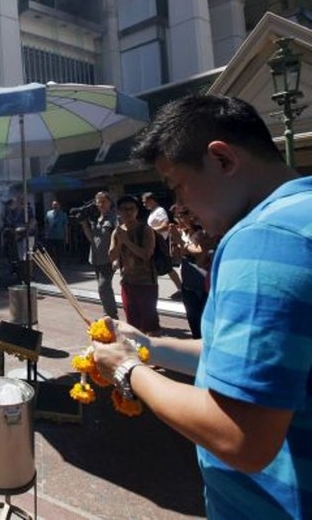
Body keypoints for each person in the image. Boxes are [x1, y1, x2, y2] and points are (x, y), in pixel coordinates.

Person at [93, 95, 311, 518]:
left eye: (177, 185)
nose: (180, 204)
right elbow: (243, 361)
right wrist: (148, 347)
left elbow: (239, 437)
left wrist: (126, 370)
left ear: (223, 159)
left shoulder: (266, 238)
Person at [108, 194, 160, 334]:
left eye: (131, 208)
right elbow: (111, 256)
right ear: (119, 211)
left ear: (137, 211)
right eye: (124, 209)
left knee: (150, 325)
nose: (128, 212)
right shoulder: (117, 232)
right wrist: (120, 241)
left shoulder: (146, 230)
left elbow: (146, 255)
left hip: (146, 283)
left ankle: (154, 353)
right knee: (132, 324)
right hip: (127, 282)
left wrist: (127, 241)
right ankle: (137, 353)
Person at [168, 205, 216, 338]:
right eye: (177, 217)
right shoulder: (183, 233)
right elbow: (177, 257)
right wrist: (174, 243)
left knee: (205, 322)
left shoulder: (202, 233)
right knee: (193, 320)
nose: (179, 220)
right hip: (188, 282)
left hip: (203, 283)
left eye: (181, 216)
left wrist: (180, 242)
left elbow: (200, 251)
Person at [79, 191, 118, 318]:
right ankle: (107, 313)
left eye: (104, 201)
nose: (101, 204)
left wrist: (117, 257)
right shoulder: (96, 219)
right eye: (98, 201)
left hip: (108, 258)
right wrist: (84, 224)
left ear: (110, 202)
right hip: (96, 258)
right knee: (102, 288)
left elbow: (119, 236)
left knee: (103, 286)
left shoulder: (114, 218)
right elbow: (92, 239)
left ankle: (112, 315)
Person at [141, 192, 183, 300]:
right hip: (154, 242)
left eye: (145, 202)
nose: (144, 204)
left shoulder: (160, 211)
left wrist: (149, 231)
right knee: (156, 267)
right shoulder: (153, 212)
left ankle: (181, 289)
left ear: (152, 200)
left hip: (159, 243)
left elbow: (165, 226)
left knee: (166, 267)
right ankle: (153, 290)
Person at [43, 200, 68, 269]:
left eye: (56, 205)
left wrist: (67, 237)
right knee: (50, 251)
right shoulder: (48, 213)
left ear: (59, 206)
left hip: (60, 236)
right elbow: (46, 225)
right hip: (50, 236)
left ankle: (58, 265)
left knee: (59, 252)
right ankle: (52, 264)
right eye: (54, 205)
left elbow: (65, 226)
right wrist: (46, 234)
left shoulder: (63, 214)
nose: (55, 206)